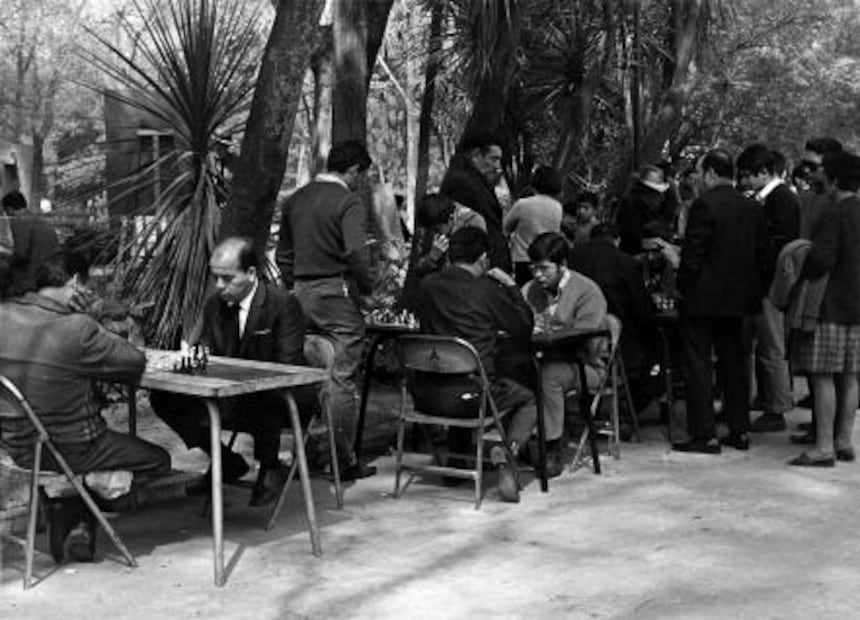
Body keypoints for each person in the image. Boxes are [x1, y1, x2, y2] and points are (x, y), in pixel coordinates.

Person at [0, 256, 170, 564]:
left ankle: (71, 512)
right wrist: (89, 318)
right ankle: (75, 508)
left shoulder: (3, 314)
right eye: (89, 286)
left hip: (15, 446)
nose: (92, 292)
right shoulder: (75, 328)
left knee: (79, 466)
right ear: (74, 284)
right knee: (159, 459)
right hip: (74, 446)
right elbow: (133, 360)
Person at [150, 237, 316, 506]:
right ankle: (225, 460)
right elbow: (207, 350)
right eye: (216, 278)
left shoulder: (283, 304)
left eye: (227, 278)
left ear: (251, 273)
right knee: (163, 398)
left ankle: (270, 466)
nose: (219, 286)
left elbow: (288, 366)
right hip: (232, 392)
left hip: (283, 397)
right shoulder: (215, 304)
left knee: (265, 394)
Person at [276, 140, 376, 480]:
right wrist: (368, 287)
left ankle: (304, 452)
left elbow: (283, 255)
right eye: (361, 175)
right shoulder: (348, 200)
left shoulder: (295, 199)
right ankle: (341, 460)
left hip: (300, 293)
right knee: (341, 377)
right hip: (335, 291)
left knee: (308, 371)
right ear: (353, 170)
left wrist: (295, 285)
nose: (360, 181)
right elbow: (356, 253)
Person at [417, 226, 536, 501]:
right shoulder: (486, 289)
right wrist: (511, 286)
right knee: (528, 397)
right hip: (474, 396)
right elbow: (523, 328)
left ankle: (456, 463)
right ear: (483, 258)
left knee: (458, 375)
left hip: (424, 394)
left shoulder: (427, 286)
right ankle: (508, 453)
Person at [672, 149, 766, 454]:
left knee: (698, 365)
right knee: (735, 364)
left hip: (703, 299)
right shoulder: (752, 207)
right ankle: (739, 430)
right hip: (739, 300)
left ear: (711, 172)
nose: (697, 178)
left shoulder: (705, 205)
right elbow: (762, 255)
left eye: (700, 172)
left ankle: (705, 433)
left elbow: (693, 256)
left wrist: (682, 287)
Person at [788, 151, 860, 467]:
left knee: (822, 377)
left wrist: (803, 255)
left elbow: (822, 260)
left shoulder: (835, 214)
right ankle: (845, 440)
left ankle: (823, 447)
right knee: (851, 375)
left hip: (831, 304)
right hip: (857, 305)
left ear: (834, 179)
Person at [520, 232, 608, 475]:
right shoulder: (530, 289)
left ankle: (550, 449)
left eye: (544, 269)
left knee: (548, 375)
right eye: (533, 268)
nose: (538, 275)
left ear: (562, 265)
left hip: (584, 365)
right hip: (538, 358)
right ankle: (517, 441)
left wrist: (553, 331)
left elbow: (589, 338)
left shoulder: (587, 290)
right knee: (512, 371)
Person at [736, 144, 799, 433]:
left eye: (748, 175)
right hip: (759, 283)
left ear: (763, 172)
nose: (744, 182)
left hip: (770, 286)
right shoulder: (765, 199)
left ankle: (777, 407)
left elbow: (782, 244)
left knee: (772, 348)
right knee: (759, 346)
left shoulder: (782, 199)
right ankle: (763, 399)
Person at [570, 223, 654, 412]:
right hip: (618, 339)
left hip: (576, 337)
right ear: (617, 240)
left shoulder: (573, 257)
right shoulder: (627, 263)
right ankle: (629, 407)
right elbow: (641, 309)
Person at [440, 131, 512, 273]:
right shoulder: (462, 183)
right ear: (476, 155)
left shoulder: (476, 181)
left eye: (499, 160)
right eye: (493, 159)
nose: (497, 166)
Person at [399, 193, 485, 314]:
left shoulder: (473, 222)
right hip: (436, 295)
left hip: (463, 296)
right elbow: (418, 268)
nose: (435, 233)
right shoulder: (429, 224)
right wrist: (432, 257)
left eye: (438, 230)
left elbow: (479, 266)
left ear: (451, 218)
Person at [503, 165, 563, 285]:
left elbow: (505, 227)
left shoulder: (523, 204)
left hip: (522, 259)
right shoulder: (558, 207)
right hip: (547, 259)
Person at [2, 190, 61, 297]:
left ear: (9, 209)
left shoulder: (19, 221)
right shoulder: (39, 219)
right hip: (52, 274)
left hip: (32, 278)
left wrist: (4, 256)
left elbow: (21, 255)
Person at [617, 164, 675, 255]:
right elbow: (628, 233)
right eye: (655, 193)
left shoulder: (654, 205)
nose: (660, 197)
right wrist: (643, 242)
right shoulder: (631, 204)